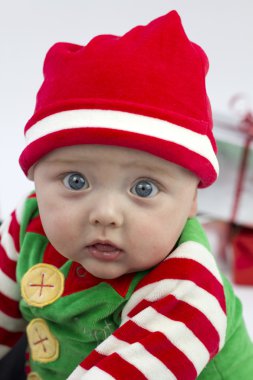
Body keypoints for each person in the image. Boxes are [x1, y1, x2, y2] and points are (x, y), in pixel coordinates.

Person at [0, 10, 253, 380]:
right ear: (36, 177)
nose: (105, 214)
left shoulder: (187, 293)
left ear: (193, 201)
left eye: (144, 188)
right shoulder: (30, 221)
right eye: (75, 181)